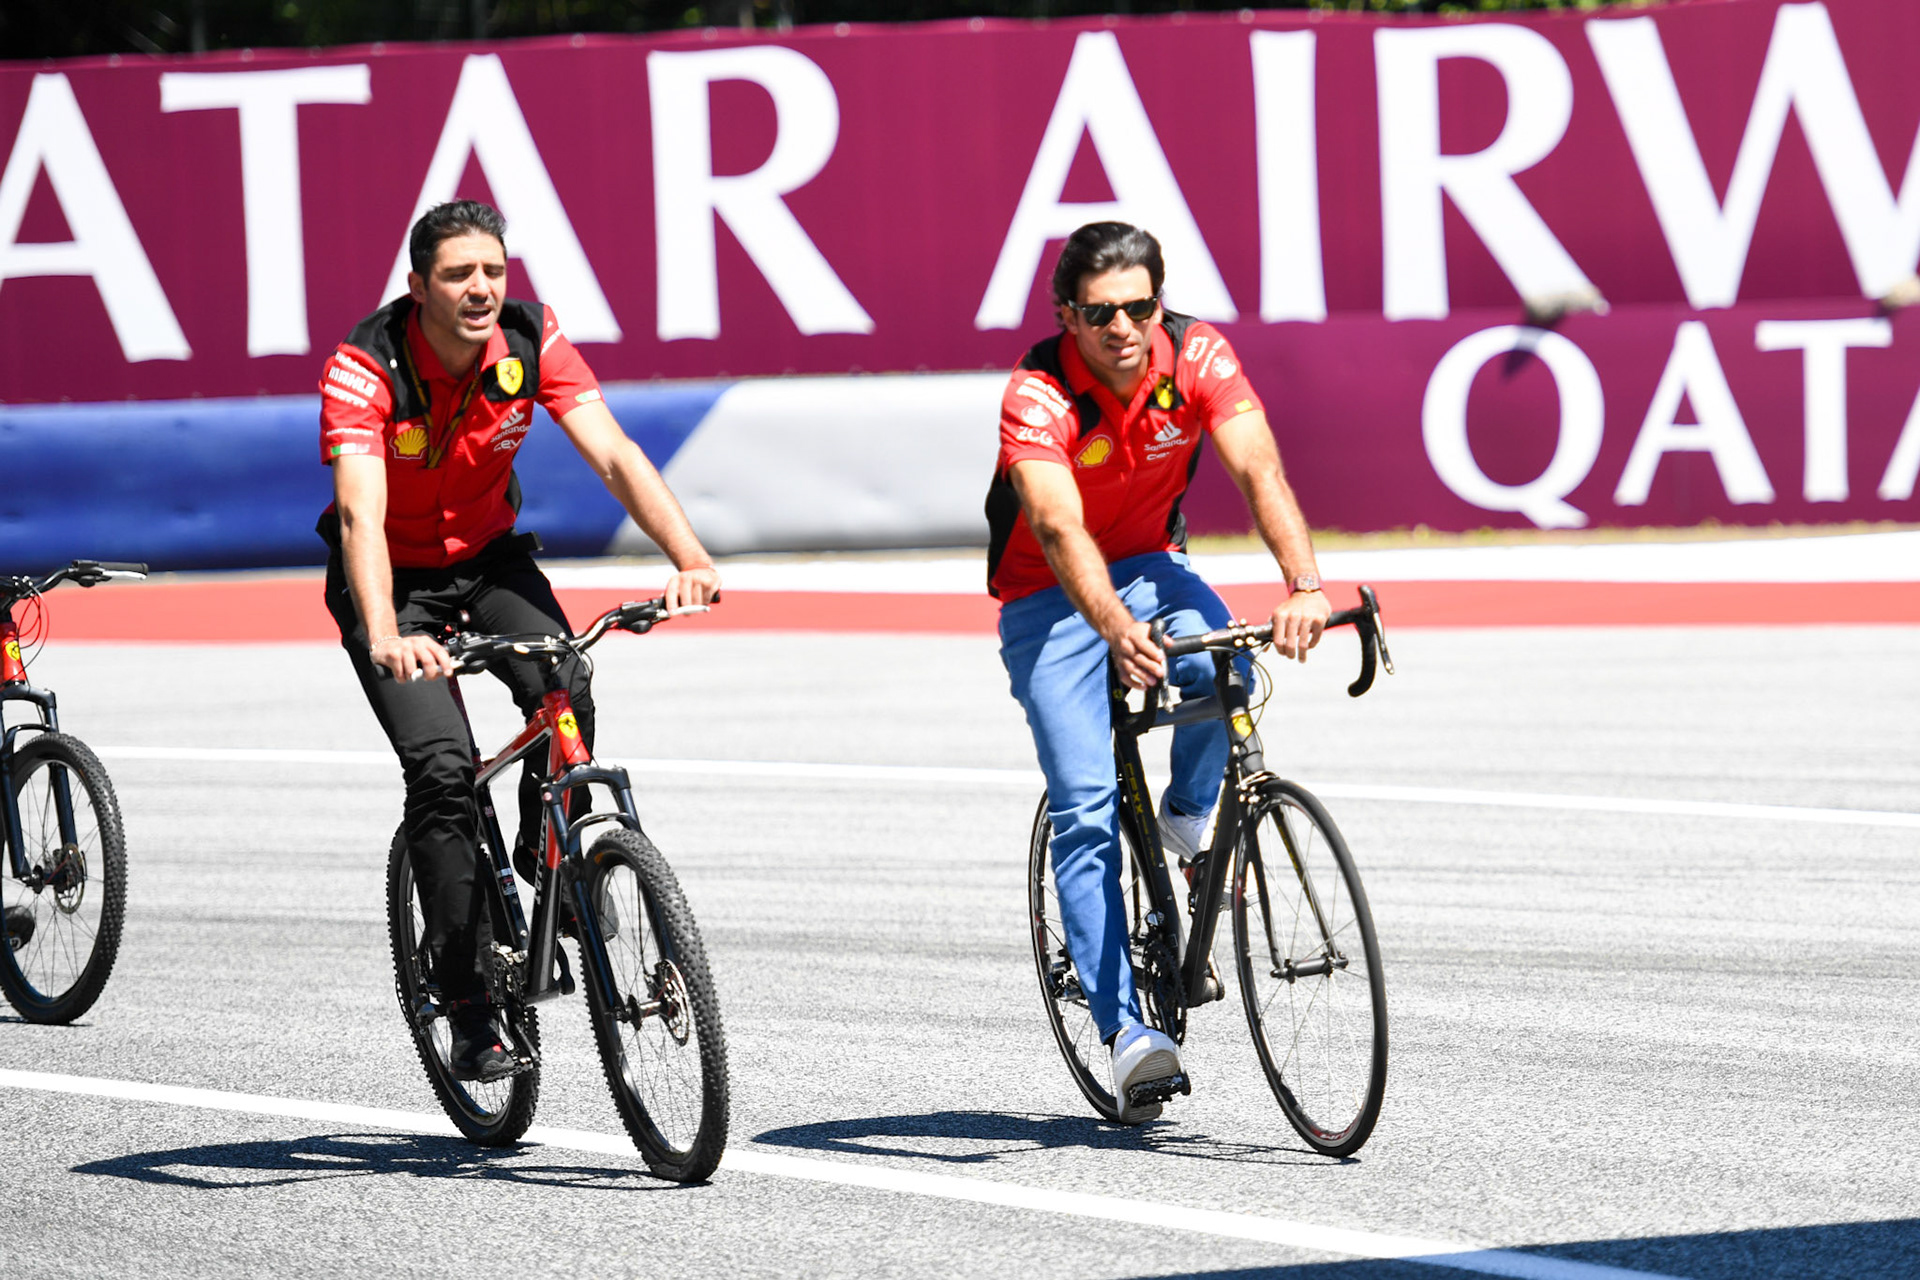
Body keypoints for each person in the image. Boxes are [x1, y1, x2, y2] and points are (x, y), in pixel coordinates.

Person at [317, 200, 719, 1081]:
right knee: (441, 771)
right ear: (417, 286)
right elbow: (358, 515)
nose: (481, 289)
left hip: (491, 562)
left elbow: (613, 455)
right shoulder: (365, 366)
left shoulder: (532, 340)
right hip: (392, 582)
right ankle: (466, 1005)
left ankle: (556, 864)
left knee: (567, 682)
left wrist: (688, 558)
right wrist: (385, 634)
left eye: (493, 271)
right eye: (458, 274)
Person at [987, 221, 1330, 1123]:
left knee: (1228, 668)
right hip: (1046, 597)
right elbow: (1056, 526)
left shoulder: (1197, 354)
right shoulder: (1038, 392)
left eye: (1139, 307)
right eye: (1101, 313)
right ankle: (1126, 1033)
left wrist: (1304, 584)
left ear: (1159, 303)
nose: (1124, 328)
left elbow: (1258, 469)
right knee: (1086, 809)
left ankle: (1185, 813)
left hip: (1150, 565)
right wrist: (1111, 627)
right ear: (1067, 315)